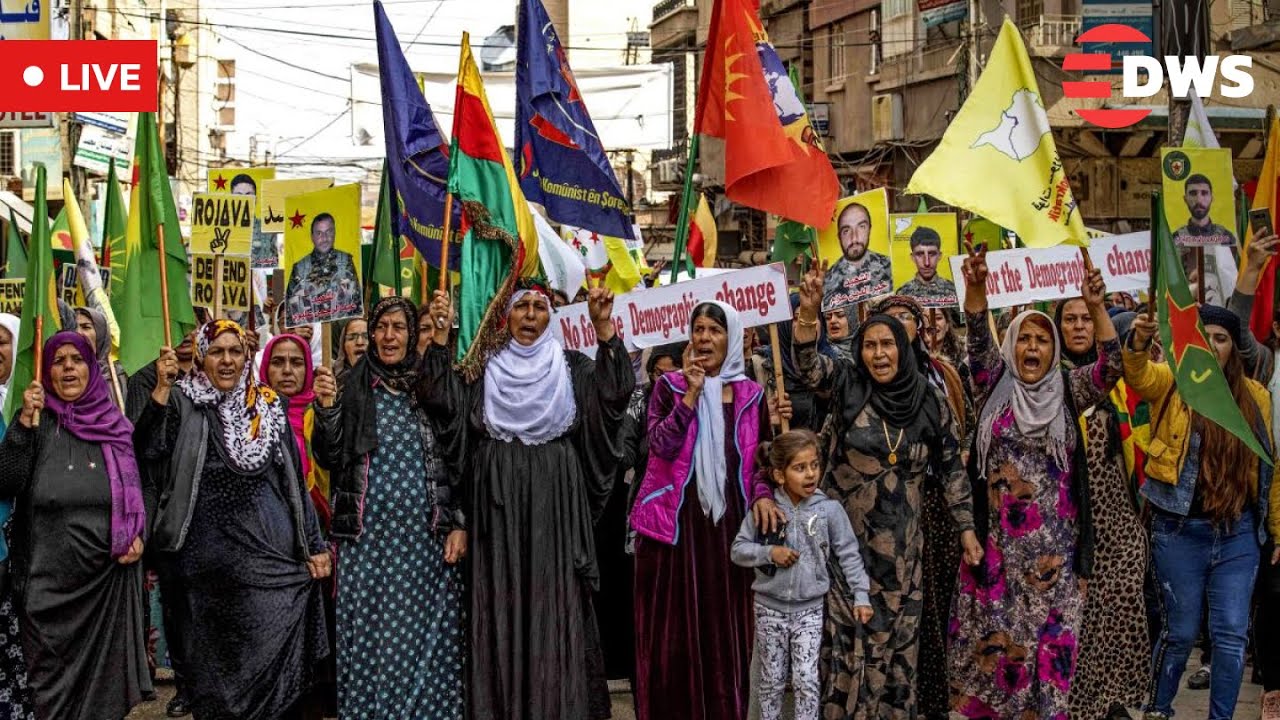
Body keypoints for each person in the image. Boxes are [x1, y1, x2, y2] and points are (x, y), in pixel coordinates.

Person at [419, 282, 635, 720]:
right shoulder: (483, 367)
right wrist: (440, 339)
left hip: (555, 501)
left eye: (540, 307)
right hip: (495, 503)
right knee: (501, 600)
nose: (532, 315)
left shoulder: (571, 367)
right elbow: (441, 402)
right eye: (523, 307)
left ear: (551, 316)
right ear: (507, 315)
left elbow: (615, 395)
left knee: (552, 602)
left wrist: (603, 328)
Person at [792, 269, 981, 719]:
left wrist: (967, 529)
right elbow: (808, 365)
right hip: (845, 553)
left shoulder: (929, 401)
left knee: (896, 656)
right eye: (870, 345)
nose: (879, 353)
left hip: (902, 558)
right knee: (844, 650)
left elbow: (953, 466)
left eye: (888, 343)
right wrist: (808, 311)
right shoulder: (846, 385)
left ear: (904, 347)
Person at [948, 245, 1121, 719]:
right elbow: (978, 340)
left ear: (1055, 350)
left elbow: (1112, 367)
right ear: (1012, 346)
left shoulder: (1070, 390)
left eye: (1043, 341)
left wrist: (1100, 306)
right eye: (1024, 339)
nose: (1032, 348)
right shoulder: (993, 386)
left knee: (1050, 670)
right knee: (999, 667)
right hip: (996, 560)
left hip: (1056, 564)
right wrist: (978, 286)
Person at [133, 321, 331, 720]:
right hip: (201, 572)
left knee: (274, 672)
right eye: (217, 352)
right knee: (214, 682)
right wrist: (160, 389)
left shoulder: (269, 405)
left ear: (246, 357)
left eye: (234, 352)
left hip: (266, 565)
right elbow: (147, 450)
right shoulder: (181, 401)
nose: (226, 360)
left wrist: (313, 544)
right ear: (202, 357)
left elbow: (293, 478)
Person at [311, 297, 466, 719]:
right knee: (373, 640)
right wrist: (325, 411)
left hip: (424, 543)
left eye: (399, 327)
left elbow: (456, 457)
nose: (389, 336)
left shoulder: (429, 387)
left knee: (423, 641)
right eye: (381, 327)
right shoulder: (348, 385)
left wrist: (459, 523)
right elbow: (328, 456)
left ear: (412, 334)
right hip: (366, 545)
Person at [1124, 305, 1278, 720]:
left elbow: (1269, 467)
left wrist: (1276, 532)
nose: (1212, 344)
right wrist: (1138, 340)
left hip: (1237, 532)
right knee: (1181, 633)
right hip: (1178, 530)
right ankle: (1158, 709)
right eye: (1204, 335)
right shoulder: (1173, 381)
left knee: (1230, 636)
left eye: (1222, 338)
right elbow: (1138, 375)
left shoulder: (1257, 397)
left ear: (1233, 348)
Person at [631, 301, 782, 720]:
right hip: (673, 530)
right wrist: (692, 395)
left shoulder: (752, 395)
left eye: (714, 330)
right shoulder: (670, 387)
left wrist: (765, 495)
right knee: (671, 638)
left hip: (728, 530)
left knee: (724, 635)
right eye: (697, 329)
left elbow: (762, 464)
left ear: (731, 338)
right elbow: (659, 446)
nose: (703, 339)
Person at [0, 331, 152, 720]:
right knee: (50, 700)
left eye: (77, 359)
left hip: (104, 590)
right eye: (58, 360)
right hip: (46, 597)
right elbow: (6, 482)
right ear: (47, 371)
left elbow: (141, 490)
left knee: (103, 701)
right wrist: (21, 427)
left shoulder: (115, 427)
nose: (68, 367)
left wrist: (138, 534)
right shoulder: (36, 422)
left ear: (92, 367)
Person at [1052, 297, 1151, 720]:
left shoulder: (1118, 380)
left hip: (1119, 512)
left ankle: (1112, 699)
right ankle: (1079, 703)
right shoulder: (1050, 382)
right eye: (1069, 320)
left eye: (1085, 319)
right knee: (1084, 615)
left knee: (1123, 604)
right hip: (1074, 516)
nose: (1078, 327)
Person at [730, 430, 873, 720]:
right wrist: (769, 554)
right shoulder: (766, 510)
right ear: (779, 476)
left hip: (809, 610)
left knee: (807, 681)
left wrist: (861, 595)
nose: (810, 474)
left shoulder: (829, 511)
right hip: (769, 609)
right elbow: (738, 549)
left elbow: (848, 554)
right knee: (771, 682)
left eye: (814, 465)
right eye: (800, 468)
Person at [284, 213, 361, 326]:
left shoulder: (345, 262)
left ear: (334, 233)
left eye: (328, 232)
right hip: (311, 336)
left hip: (340, 332)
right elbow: (290, 312)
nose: (324, 238)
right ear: (312, 237)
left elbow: (357, 304)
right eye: (319, 233)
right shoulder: (300, 268)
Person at [823, 202, 892, 310]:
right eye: (846, 231)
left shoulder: (890, 267)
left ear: (869, 229)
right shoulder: (827, 280)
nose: (854, 238)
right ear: (839, 237)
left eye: (861, 227)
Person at [74, 306, 127, 407]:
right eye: (73, 327)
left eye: (86, 327)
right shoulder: (63, 376)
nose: (78, 332)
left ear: (100, 333)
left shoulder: (118, 376)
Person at [1171, 174, 1237, 247]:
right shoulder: (1175, 238)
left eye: (1204, 193)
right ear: (1185, 199)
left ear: (1211, 198)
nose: (1199, 200)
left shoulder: (1226, 237)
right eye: (1193, 193)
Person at [897, 226, 957, 305]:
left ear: (939, 256)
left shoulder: (954, 291)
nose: (927, 263)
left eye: (932, 254)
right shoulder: (902, 294)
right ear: (913, 257)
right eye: (920, 254)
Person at [333, 318, 368, 384]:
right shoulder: (330, 381)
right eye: (351, 338)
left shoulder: (387, 380)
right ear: (343, 346)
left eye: (366, 337)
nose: (359, 342)